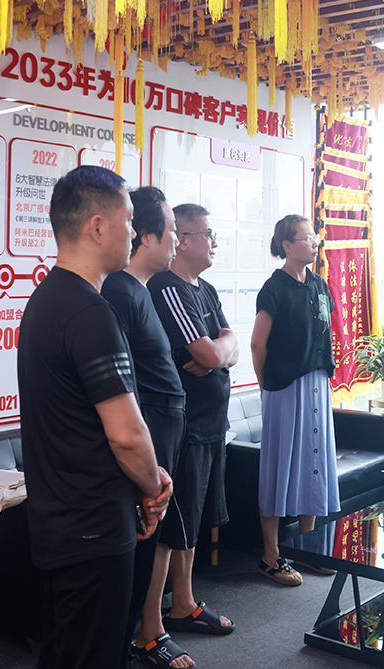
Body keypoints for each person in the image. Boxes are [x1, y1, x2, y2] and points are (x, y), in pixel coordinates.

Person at [18, 165, 173, 669]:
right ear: (98, 227)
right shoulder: (89, 312)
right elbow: (127, 434)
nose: (135, 230)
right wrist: (153, 486)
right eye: (128, 220)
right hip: (92, 528)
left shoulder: (47, 299)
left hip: (59, 521)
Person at [100, 187, 192, 669]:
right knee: (137, 550)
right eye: (172, 231)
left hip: (164, 430)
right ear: (146, 237)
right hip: (147, 434)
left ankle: (139, 639)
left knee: (152, 540)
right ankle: (129, 646)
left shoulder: (140, 288)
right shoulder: (118, 291)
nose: (177, 240)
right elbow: (121, 384)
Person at [148, 204, 239, 647]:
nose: (214, 241)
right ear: (182, 240)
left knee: (192, 520)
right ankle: (152, 624)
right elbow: (208, 354)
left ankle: (184, 603)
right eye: (208, 233)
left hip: (211, 424)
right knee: (171, 527)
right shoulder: (167, 287)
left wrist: (218, 354)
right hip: (185, 426)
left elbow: (230, 345)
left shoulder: (205, 288)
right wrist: (216, 354)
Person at [250, 215, 340, 586]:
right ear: (287, 245)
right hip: (285, 387)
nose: (315, 242)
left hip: (317, 382)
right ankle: (270, 556)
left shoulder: (318, 283)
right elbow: (258, 344)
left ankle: (308, 549)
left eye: (314, 237)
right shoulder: (274, 288)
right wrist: (266, 386)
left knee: (313, 464)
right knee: (278, 467)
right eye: (307, 238)